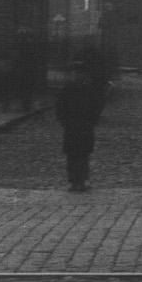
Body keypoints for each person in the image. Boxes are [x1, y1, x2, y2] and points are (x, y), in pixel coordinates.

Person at [54, 39, 108, 192]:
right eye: (76, 73)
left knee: (83, 156)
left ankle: (83, 180)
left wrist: (92, 121)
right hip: (71, 127)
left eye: (81, 73)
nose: (78, 76)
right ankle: (73, 181)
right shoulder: (66, 90)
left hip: (85, 127)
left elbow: (96, 106)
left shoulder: (89, 90)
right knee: (72, 156)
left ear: (85, 75)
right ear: (72, 75)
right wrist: (65, 122)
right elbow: (60, 108)